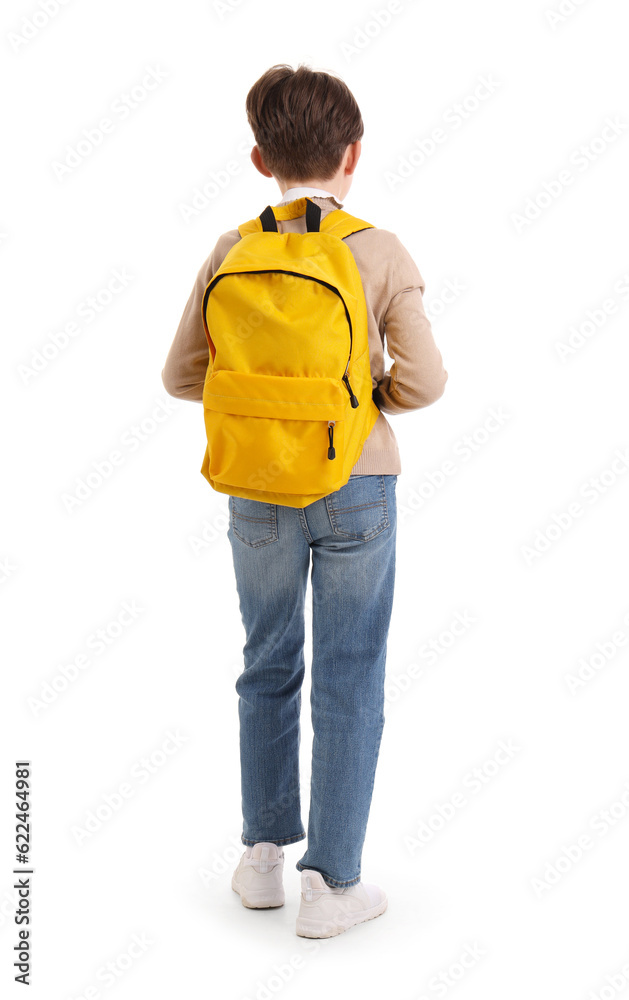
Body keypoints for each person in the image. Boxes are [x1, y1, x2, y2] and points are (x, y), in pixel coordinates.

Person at [161, 63, 448, 938]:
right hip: (356, 482)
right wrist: (362, 407)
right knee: (350, 674)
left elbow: (181, 378)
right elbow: (428, 382)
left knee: (266, 663)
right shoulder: (382, 249)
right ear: (352, 153)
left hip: (255, 489)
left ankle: (259, 861)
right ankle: (333, 885)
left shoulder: (230, 249)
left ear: (259, 159)